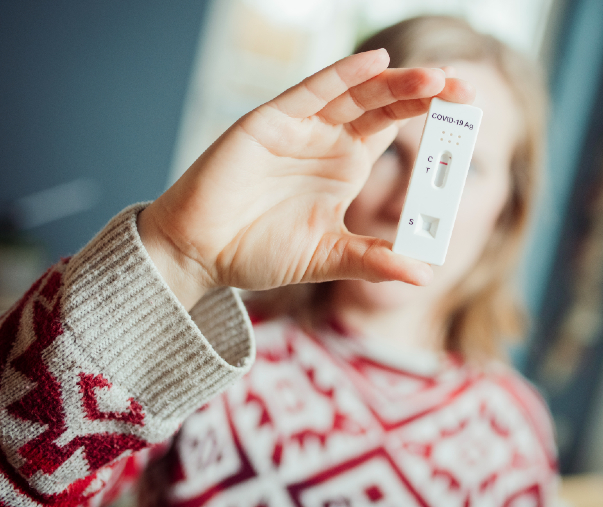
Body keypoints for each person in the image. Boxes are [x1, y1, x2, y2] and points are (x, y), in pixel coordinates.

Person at [0, 16, 555, 507]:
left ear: (509, 210)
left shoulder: (514, 433)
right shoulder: (201, 361)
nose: (409, 198)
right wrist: (175, 257)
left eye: (464, 169)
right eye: (389, 151)